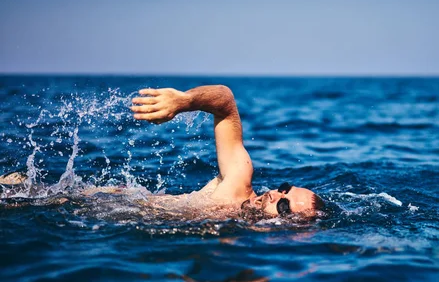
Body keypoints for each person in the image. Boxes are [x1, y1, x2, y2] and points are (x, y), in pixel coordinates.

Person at [1, 85, 325, 219]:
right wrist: (185, 101)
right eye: (284, 189)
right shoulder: (237, 182)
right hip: (84, 200)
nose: (274, 196)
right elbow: (226, 103)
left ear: (287, 229)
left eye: (283, 206)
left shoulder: (239, 236)